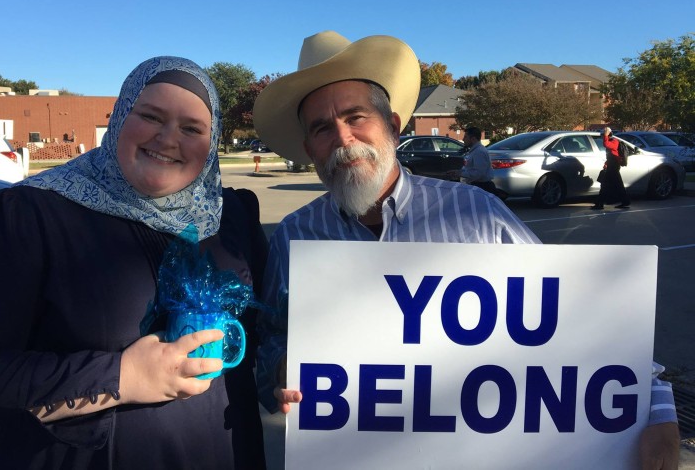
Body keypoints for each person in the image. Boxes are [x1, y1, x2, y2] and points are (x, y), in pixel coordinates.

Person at [252, 31, 680, 469]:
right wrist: (281, 371)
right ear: (309, 150)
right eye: (323, 128)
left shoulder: (475, 213)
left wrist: (658, 407)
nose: (343, 138)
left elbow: (572, 314)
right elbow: (267, 342)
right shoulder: (294, 236)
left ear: (393, 127)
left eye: (355, 117)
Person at [0, 57, 267, 469]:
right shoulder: (26, 216)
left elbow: (268, 335)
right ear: (121, 116)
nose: (168, 139)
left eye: (192, 128)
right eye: (151, 116)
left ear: (212, 139)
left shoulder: (230, 216)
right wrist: (122, 378)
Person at [445, 126, 497, 194]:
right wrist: (458, 172)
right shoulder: (474, 151)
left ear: (473, 139)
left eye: (466, 137)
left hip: (482, 187)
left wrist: (460, 173)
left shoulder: (479, 152)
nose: (463, 139)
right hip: (477, 186)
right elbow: (471, 169)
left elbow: (478, 174)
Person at [592, 126, 631, 210]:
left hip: (614, 166)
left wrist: (606, 135)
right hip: (611, 165)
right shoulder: (611, 141)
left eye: (604, 135)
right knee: (616, 185)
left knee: (606, 185)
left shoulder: (614, 141)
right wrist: (606, 163)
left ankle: (600, 203)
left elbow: (606, 145)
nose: (603, 137)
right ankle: (624, 201)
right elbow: (610, 155)